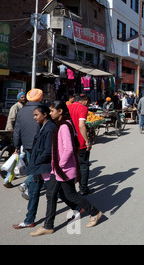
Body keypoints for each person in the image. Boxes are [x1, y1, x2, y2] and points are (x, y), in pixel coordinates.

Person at [30, 101, 102, 237]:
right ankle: (48, 226)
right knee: (51, 194)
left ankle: (95, 212)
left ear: (60, 111)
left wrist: (60, 165)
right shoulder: (62, 124)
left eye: (52, 111)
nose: (50, 113)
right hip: (59, 169)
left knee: (70, 195)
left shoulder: (64, 126)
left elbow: (68, 149)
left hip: (63, 169)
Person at [12, 105, 78, 229]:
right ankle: (29, 220)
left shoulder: (50, 128)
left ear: (45, 114)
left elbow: (49, 150)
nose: (34, 117)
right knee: (35, 192)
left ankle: (78, 207)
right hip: (39, 166)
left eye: (36, 115)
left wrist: (38, 161)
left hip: (45, 166)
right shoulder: (43, 126)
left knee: (56, 192)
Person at [6, 89, 43, 188]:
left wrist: (17, 145)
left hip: (27, 144)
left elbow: (17, 130)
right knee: (37, 168)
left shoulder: (22, 110)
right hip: (40, 144)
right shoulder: (43, 109)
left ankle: (32, 187)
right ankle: (26, 184)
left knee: (33, 166)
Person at [67, 94, 93, 196]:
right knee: (83, 165)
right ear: (85, 101)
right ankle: (83, 189)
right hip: (80, 141)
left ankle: (70, 189)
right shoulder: (83, 108)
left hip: (68, 140)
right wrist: (87, 141)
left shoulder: (68, 106)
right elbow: (81, 125)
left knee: (71, 165)